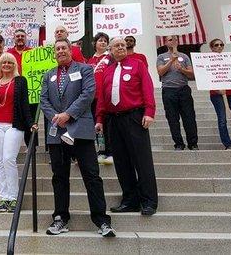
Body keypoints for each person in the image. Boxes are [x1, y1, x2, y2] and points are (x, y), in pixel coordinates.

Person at [40, 38, 115, 237]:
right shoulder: (48, 75)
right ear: (54, 53)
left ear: (71, 50)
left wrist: (68, 114)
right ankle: (60, 218)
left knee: (92, 176)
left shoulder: (84, 70)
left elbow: (89, 93)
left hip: (80, 131)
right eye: (57, 49)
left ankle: (101, 220)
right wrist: (56, 117)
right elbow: (44, 100)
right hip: (57, 133)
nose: (61, 51)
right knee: (59, 177)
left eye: (64, 47)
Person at [96, 37, 158, 216]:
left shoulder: (138, 64)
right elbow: (103, 96)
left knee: (142, 160)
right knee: (122, 162)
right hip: (113, 120)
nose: (121, 47)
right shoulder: (107, 71)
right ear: (110, 50)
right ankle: (130, 200)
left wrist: (149, 112)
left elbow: (147, 88)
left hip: (134, 117)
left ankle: (149, 201)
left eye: (123, 45)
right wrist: (99, 118)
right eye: (117, 45)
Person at [0, 53, 36, 213]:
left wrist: (30, 123)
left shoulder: (21, 81)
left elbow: (25, 105)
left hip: (15, 125)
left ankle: (13, 197)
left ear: (15, 65)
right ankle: (3, 198)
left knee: (8, 159)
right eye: (4, 62)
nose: (7, 64)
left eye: (10, 62)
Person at [156, 35, 198, 150]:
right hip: (168, 90)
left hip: (183, 89)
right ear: (165, 42)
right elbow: (160, 72)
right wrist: (171, 60)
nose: (173, 42)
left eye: (175, 40)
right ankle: (179, 143)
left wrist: (182, 69)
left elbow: (191, 73)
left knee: (189, 117)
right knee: (172, 118)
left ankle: (193, 143)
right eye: (170, 40)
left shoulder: (184, 56)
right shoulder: (161, 57)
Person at [86, 32, 113, 165]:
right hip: (92, 98)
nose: (103, 43)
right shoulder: (89, 61)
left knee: (107, 124)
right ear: (94, 43)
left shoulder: (110, 58)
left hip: (106, 97)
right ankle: (101, 150)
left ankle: (110, 151)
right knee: (97, 125)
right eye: (100, 40)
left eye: (105, 41)